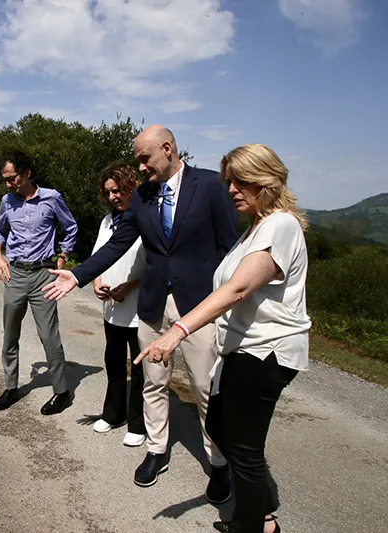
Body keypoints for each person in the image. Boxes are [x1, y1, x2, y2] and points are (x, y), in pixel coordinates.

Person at [42, 125, 239, 502]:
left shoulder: (211, 186)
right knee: (152, 381)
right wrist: (79, 274)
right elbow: (119, 242)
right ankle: (156, 450)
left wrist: (231, 301)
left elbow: (229, 247)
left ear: (167, 149)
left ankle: (218, 464)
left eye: (144, 158)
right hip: (151, 305)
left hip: (197, 305)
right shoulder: (142, 198)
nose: (141, 166)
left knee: (203, 387)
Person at [137, 144, 310, 533]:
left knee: (245, 451)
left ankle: (253, 525)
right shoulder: (255, 228)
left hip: (265, 352)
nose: (231, 189)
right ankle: (261, 514)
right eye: (228, 180)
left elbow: (237, 289)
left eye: (241, 181)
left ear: (266, 180)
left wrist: (177, 332)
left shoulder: (279, 225)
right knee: (220, 426)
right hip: (241, 348)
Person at [0, 150, 78, 415]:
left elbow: (70, 227)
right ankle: (11, 387)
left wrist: (63, 255)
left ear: (27, 173)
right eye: (5, 179)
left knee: (49, 336)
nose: (8, 184)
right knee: (10, 335)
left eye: (12, 178)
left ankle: (62, 393)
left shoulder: (52, 198)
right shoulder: (7, 201)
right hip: (15, 275)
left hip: (43, 275)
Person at [90, 163, 147, 447]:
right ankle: (113, 414)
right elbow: (98, 256)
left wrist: (130, 285)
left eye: (118, 190)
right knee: (113, 362)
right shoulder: (106, 222)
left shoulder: (146, 220)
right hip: (112, 309)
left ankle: (138, 424)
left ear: (131, 187)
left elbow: (157, 264)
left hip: (139, 309)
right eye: (109, 192)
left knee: (139, 369)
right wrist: (96, 282)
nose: (114, 196)